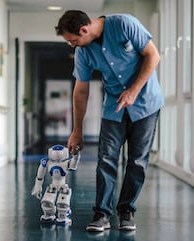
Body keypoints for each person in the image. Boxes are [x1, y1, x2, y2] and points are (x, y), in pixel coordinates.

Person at [55, 10, 164, 232]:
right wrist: (77, 130)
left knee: (137, 161)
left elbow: (153, 55)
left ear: (84, 30)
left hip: (145, 103)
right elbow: (81, 91)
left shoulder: (125, 24)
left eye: (73, 40)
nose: (72, 46)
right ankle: (102, 214)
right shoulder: (83, 52)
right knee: (106, 159)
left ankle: (126, 211)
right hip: (113, 107)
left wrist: (134, 91)